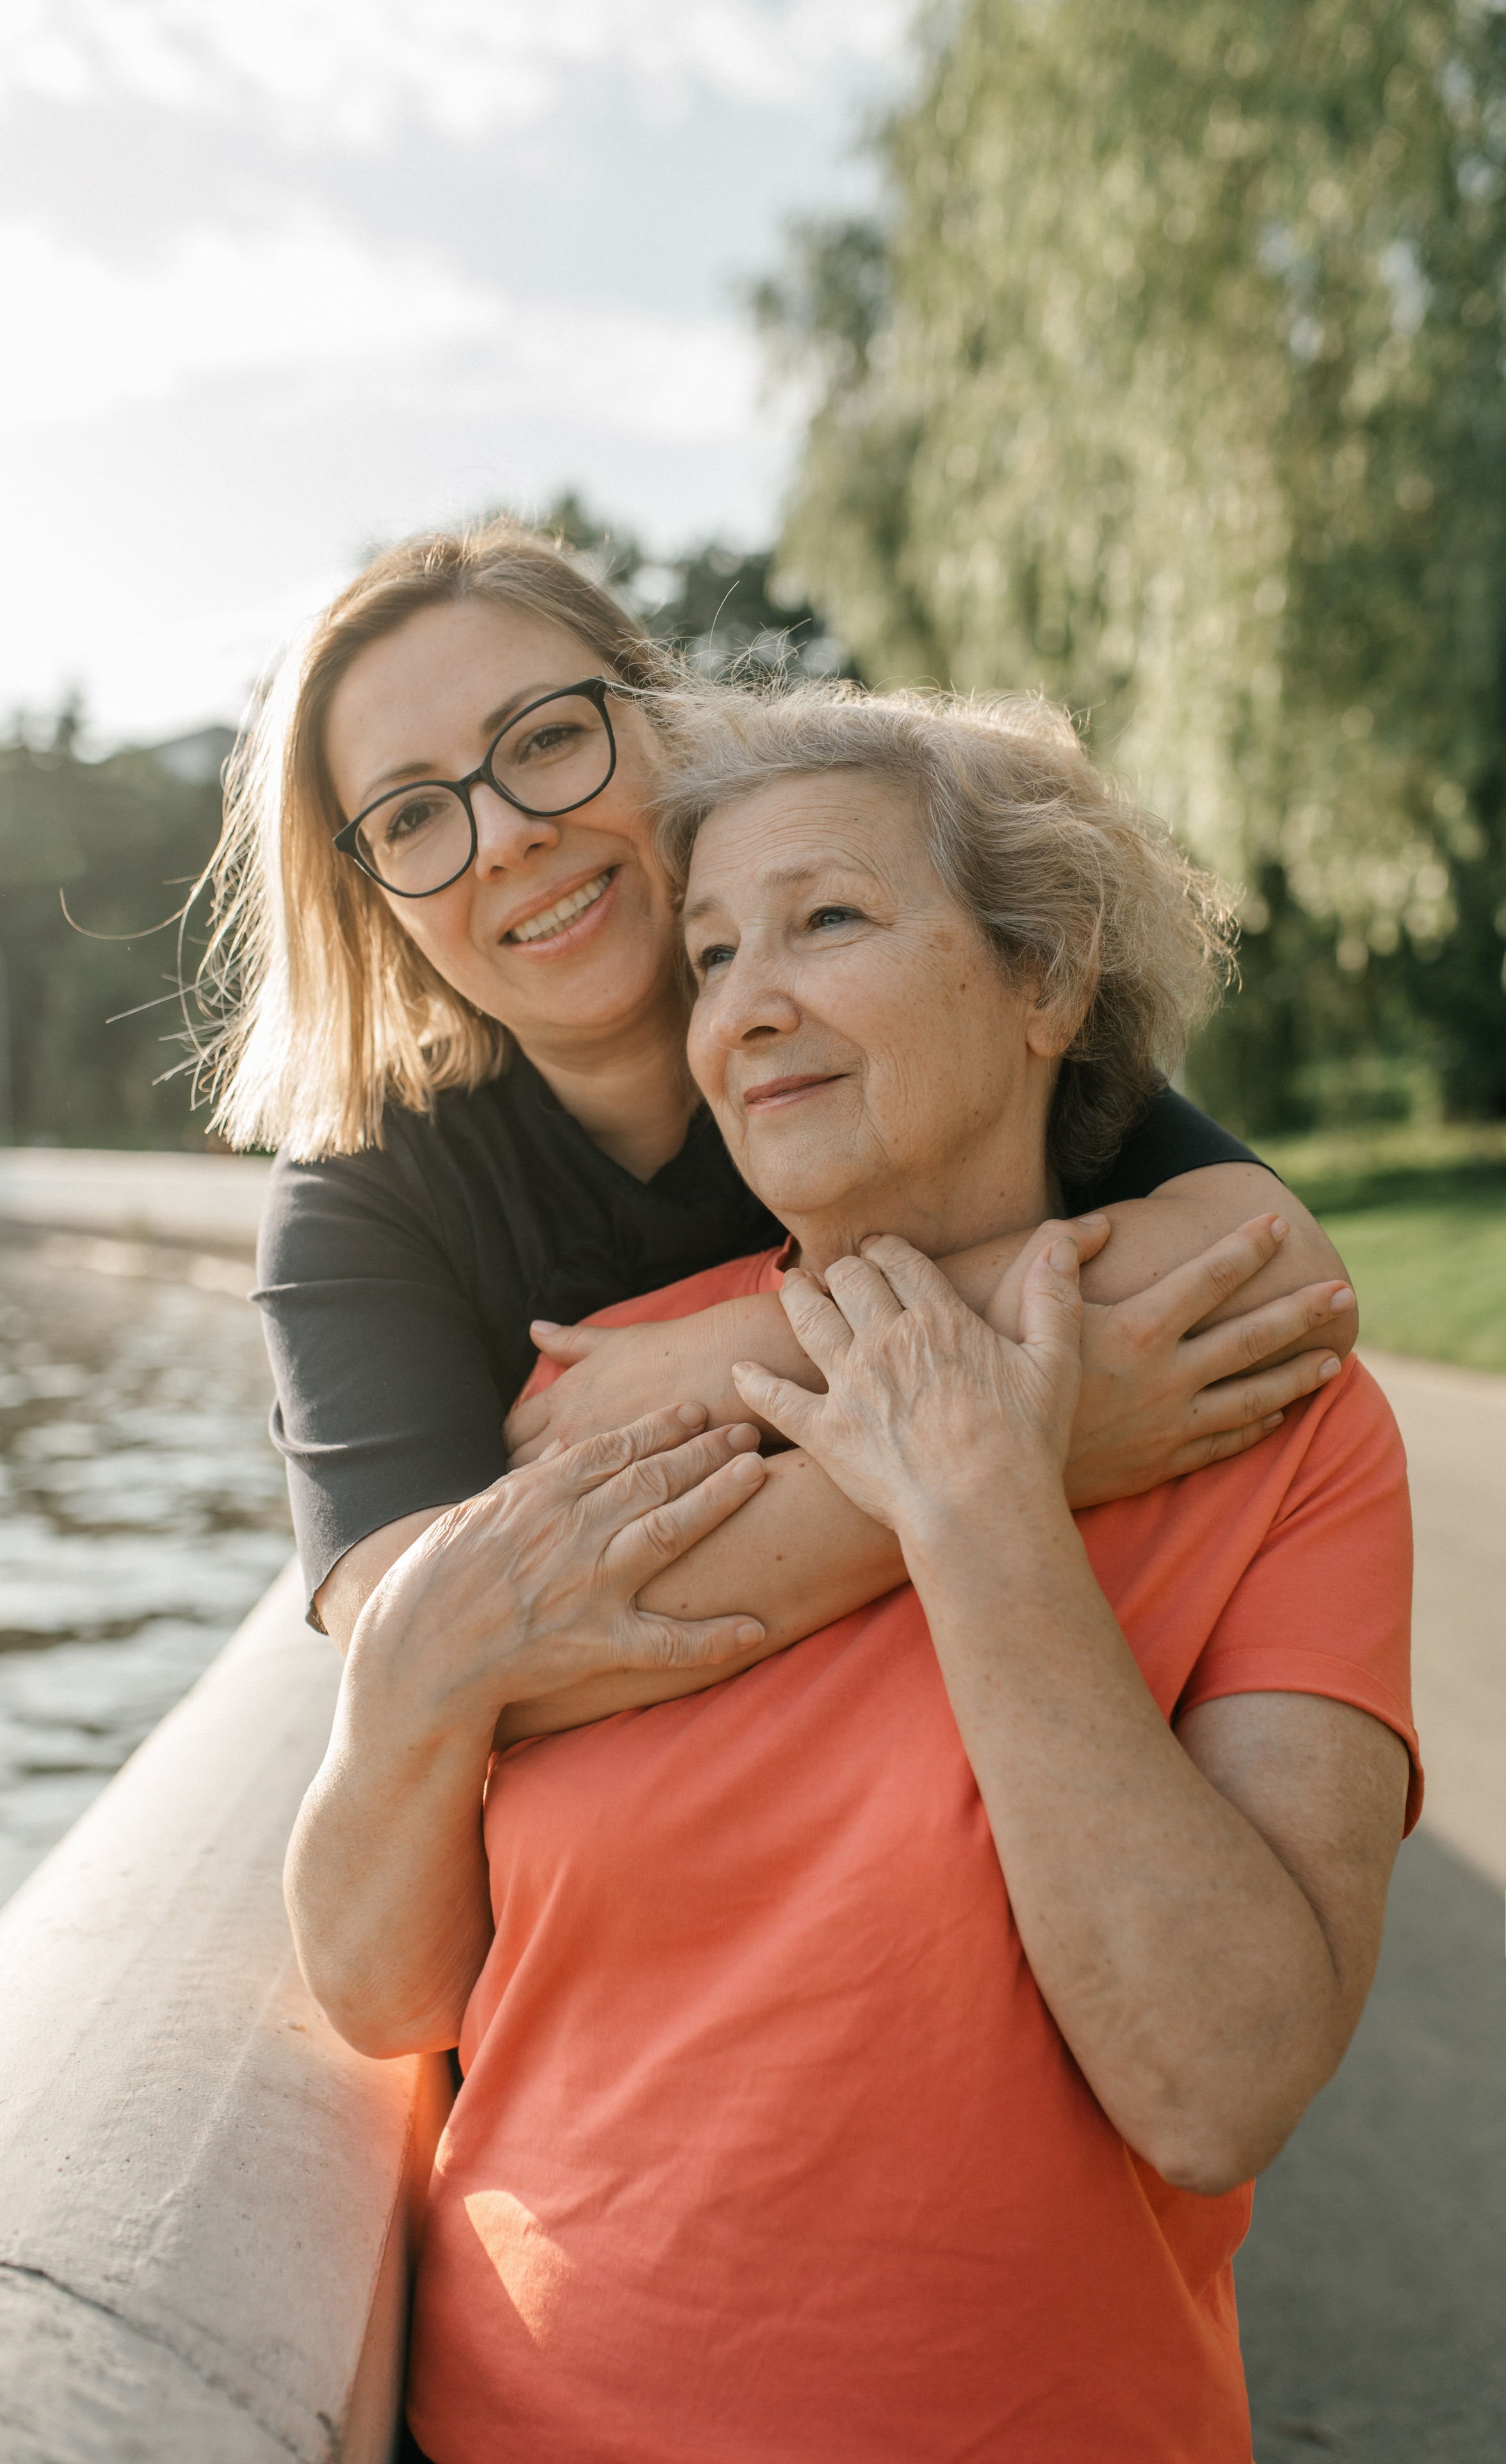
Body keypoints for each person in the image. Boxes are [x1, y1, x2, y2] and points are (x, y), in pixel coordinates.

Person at [283, 682, 1416, 2463]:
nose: (748, 1007)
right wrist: (415, 1690)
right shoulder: (598, 1401)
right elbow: (382, 1984)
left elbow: (1218, 2084)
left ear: (1044, 981)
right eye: (715, 957)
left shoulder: (1270, 1415)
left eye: (827, 922)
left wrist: (978, 1501)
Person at [216, 523, 1357, 1734]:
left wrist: (747, 1349)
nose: (505, 837)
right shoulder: (366, 1189)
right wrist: (1015, 1455)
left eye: (547, 739)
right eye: (410, 820)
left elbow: (1272, 1260)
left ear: (659, 723)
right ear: (368, 902)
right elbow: (417, 1660)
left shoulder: (875, 1028)